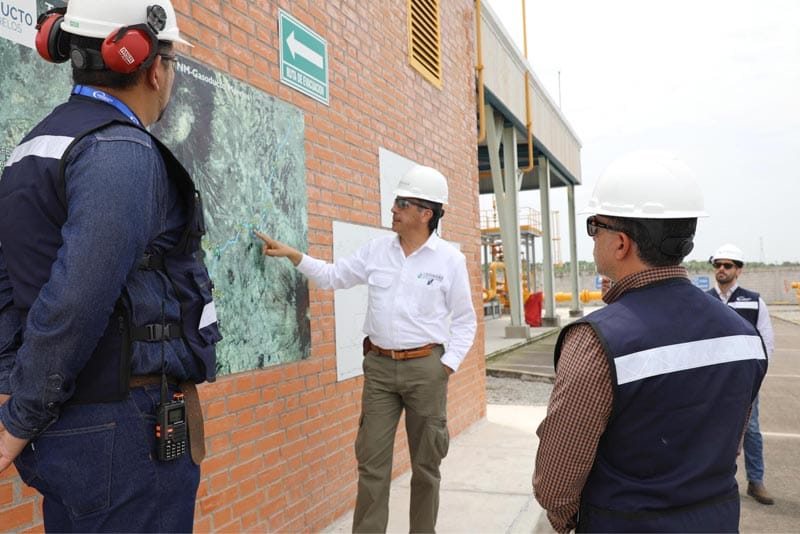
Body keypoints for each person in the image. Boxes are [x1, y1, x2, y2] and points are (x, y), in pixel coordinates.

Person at [0, 1, 221, 531]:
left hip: (72, 427)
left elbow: (8, 280)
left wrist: (14, 386)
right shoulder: (120, 148)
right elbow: (77, 299)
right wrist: (19, 417)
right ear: (152, 66)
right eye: (171, 60)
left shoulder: (31, 148)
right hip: (123, 429)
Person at [533, 150, 767, 533]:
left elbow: (557, 480)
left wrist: (568, 519)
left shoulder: (596, 340)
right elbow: (731, 442)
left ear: (621, 243)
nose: (593, 237)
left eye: (595, 226)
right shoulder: (743, 334)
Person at [255, 165, 477, 533]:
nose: (393, 209)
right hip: (379, 370)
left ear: (426, 213)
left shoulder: (449, 261)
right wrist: (295, 255)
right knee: (372, 465)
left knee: (426, 467)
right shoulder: (377, 251)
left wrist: (446, 365)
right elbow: (333, 276)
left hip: (426, 370)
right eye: (396, 201)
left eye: (402, 203)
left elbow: (466, 321)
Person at [708, 243, 775, 505]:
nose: (721, 269)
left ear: (739, 270)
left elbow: (766, 342)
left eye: (728, 265)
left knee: (751, 430)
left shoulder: (754, 301)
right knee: (708, 430)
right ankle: (711, 483)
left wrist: (756, 377)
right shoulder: (704, 300)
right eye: (718, 265)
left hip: (743, 381)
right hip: (710, 382)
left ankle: (756, 481)